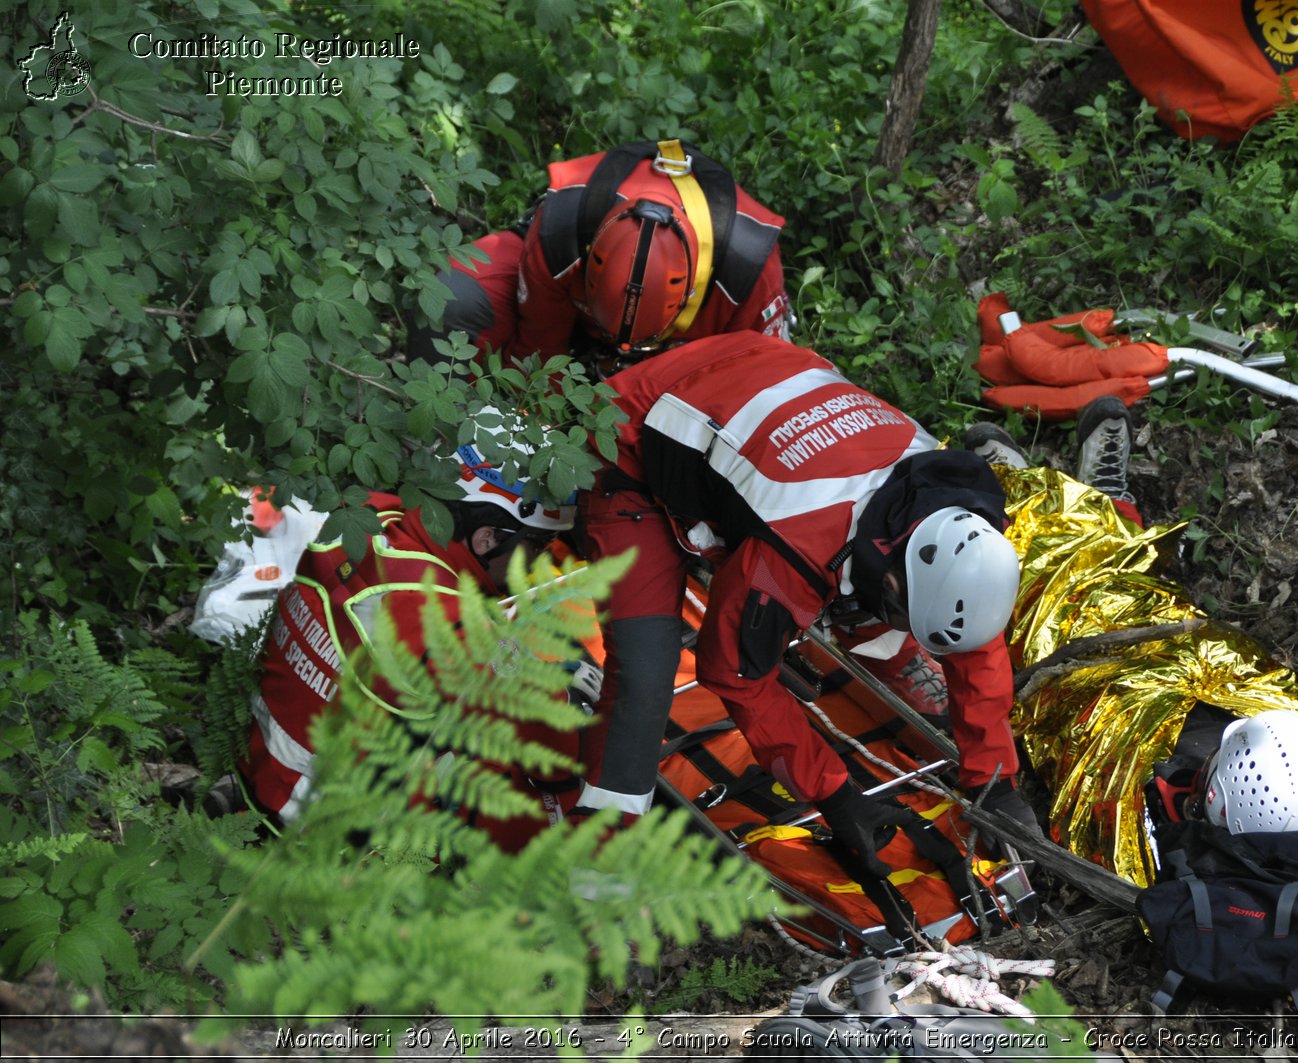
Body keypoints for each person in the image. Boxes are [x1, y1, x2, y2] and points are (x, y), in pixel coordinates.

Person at [570, 331, 1039, 876]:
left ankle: (888, 653)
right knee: (644, 676)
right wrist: (836, 794)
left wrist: (994, 779)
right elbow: (736, 675)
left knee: (862, 595)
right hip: (636, 425)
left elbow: (973, 637)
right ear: (894, 581)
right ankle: (600, 866)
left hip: (766, 370)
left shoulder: (947, 502)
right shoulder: (793, 551)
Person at [237, 411, 584, 850]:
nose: (540, 564)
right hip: (322, 821)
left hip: (267, 755)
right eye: (537, 546)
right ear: (487, 538)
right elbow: (552, 749)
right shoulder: (445, 626)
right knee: (537, 792)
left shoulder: (371, 514)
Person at [408, 139, 791, 377]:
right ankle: (438, 441)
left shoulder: (750, 268)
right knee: (449, 295)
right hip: (566, 310)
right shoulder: (562, 228)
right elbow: (538, 353)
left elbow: (759, 383)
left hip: (682, 363)